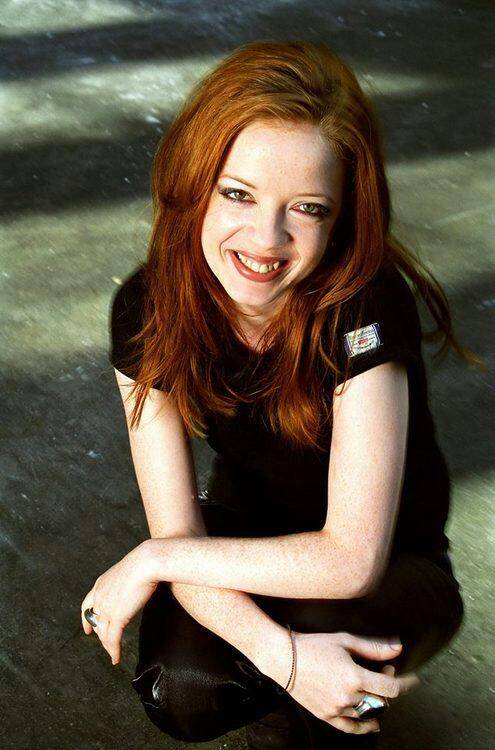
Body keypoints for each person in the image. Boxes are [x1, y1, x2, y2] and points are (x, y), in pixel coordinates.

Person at [81, 40, 484, 748]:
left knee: (331, 631)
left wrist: (153, 558)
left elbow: (351, 559)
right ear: (193, 183)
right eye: (237, 194)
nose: (266, 239)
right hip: (245, 531)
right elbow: (180, 531)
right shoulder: (147, 307)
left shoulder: (365, 302)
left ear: (341, 217)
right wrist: (284, 659)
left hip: (392, 563)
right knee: (185, 690)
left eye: (307, 208)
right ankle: (297, 690)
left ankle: (329, 710)